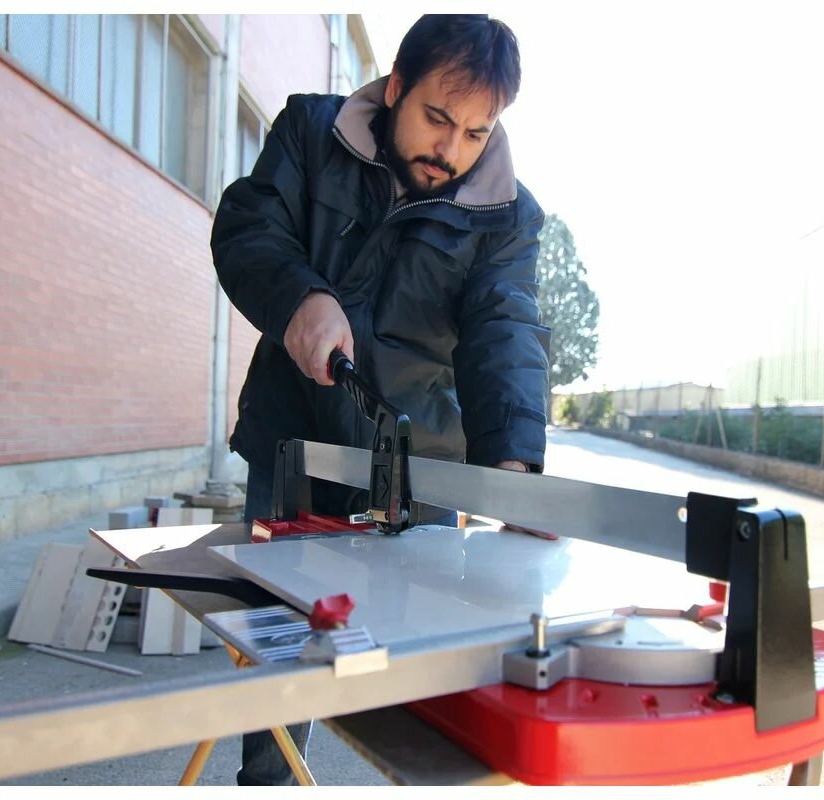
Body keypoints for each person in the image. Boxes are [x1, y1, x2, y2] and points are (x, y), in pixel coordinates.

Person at [210, 13, 549, 786]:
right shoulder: (310, 133)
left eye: (475, 132)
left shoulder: (508, 218)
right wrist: (299, 298)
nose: (450, 150)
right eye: (437, 118)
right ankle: (269, 784)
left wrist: (512, 466)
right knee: (284, 656)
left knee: (423, 675)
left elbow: (505, 328)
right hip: (292, 449)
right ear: (395, 87)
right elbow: (249, 228)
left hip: (420, 471)